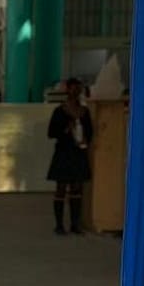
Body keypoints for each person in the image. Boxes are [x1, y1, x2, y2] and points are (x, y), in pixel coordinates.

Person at [46, 78, 93, 235]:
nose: (76, 93)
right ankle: (59, 224)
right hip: (64, 152)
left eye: (78, 90)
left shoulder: (85, 112)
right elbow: (51, 133)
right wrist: (66, 129)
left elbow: (90, 133)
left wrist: (85, 139)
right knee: (61, 188)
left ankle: (75, 224)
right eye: (73, 89)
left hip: (78, 152)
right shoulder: (59, 111)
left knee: (77, 188)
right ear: (67, 90)